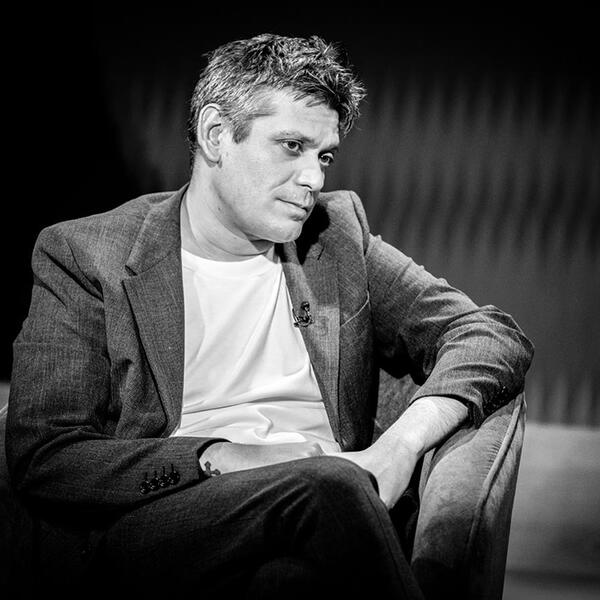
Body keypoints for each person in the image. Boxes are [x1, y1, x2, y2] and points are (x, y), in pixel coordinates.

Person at [5, 33, 533, 599]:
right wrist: (224, 457)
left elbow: (489, 334)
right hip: (170, 518)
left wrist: (398, 448)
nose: (314, 180)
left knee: (292, 574)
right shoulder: (87, 254)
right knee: (329, 487)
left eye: (323, 156)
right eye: (291, 146)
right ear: (216, 134)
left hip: (334, 519)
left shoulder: (335, 236)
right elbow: (47, 454)